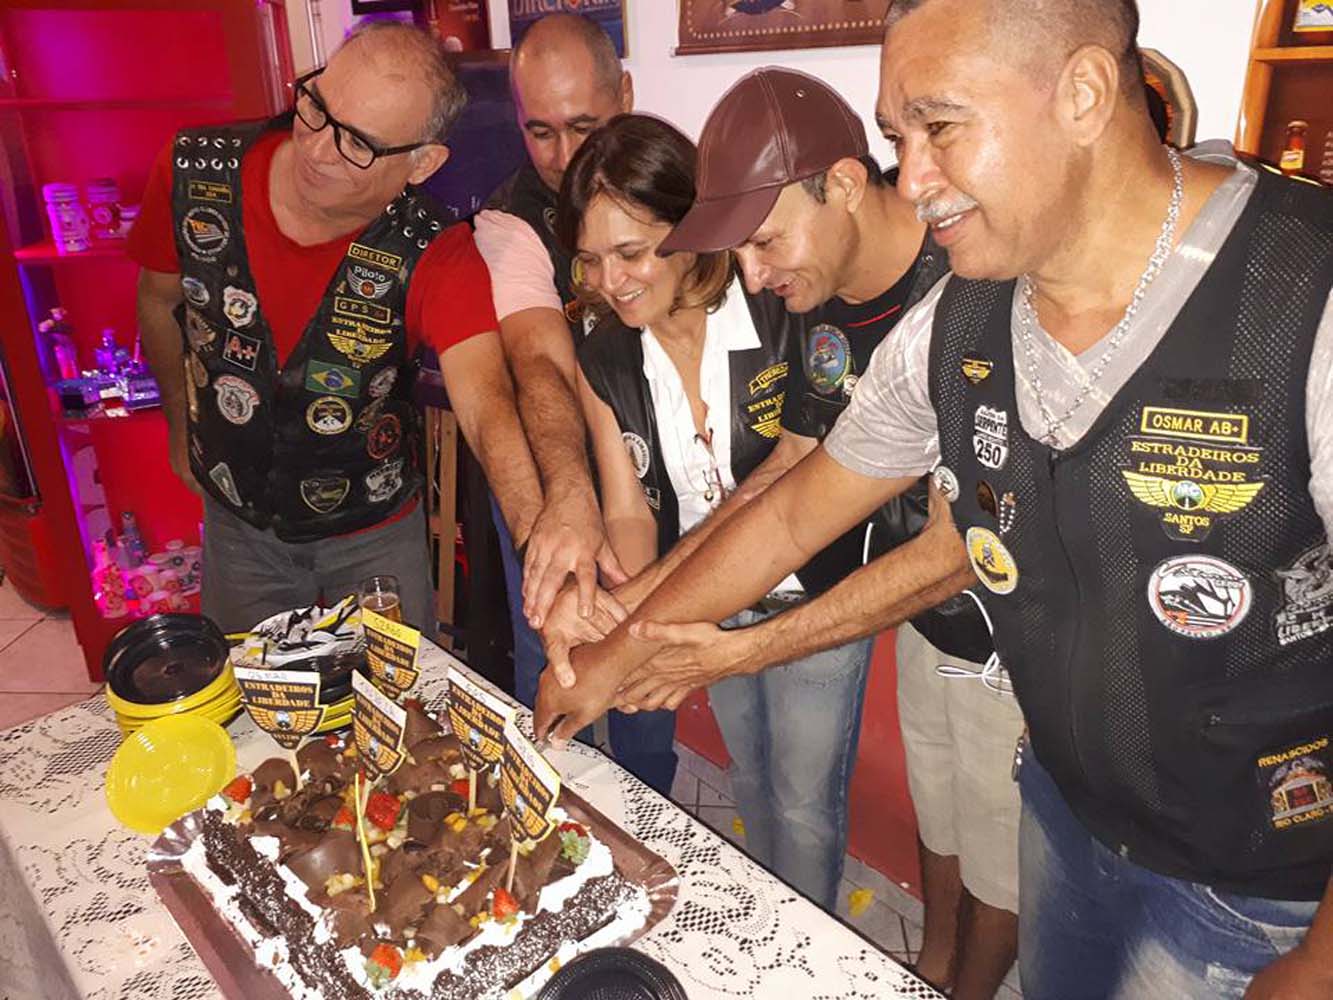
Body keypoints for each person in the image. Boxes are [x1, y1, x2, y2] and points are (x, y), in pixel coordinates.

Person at [537, 0, 1333, 997]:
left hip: (1251, 888)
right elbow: (791, 507)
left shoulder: (1301, 290)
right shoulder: (958, 315)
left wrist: (1321, 962)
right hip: (1067, 814)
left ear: (1083, 93)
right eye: (896, 138)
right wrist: (613, 658)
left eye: (939, 127)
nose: (910, 178)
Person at [559, 111, 886, 907]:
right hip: (704, 605)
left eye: (631, 253)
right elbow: (629, 511)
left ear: (693, 232)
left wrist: (633, 624)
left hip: (812, 601)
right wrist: (625, 624)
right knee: (749, 777)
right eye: (591, 259)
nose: (609, 282)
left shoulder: (783, 310)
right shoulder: (604, 354)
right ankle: (768, 911)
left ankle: (804, 940)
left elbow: (800, 483)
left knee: (803, 802)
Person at [131, 22, 542, 634]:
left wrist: (538, 540)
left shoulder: (435, 250)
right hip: (237, 523)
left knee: (398, 687)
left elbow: (487, 405)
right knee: (250, 691)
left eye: (358, 143)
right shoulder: (195, 173)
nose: (318, 150)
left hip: (372, 533)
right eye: (318, 107)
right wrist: (177, 426)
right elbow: (157, 300)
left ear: (422, 163)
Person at [471, 12, 631, 700]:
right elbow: (539, 360)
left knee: (637, 653)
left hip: (644, 472)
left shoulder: (667, 184)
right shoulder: (507, 219)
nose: (564, 156)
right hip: (543, 469)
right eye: (540, 131)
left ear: (624, 97)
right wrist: (569, 493)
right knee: (549, 661)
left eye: (583, 127)